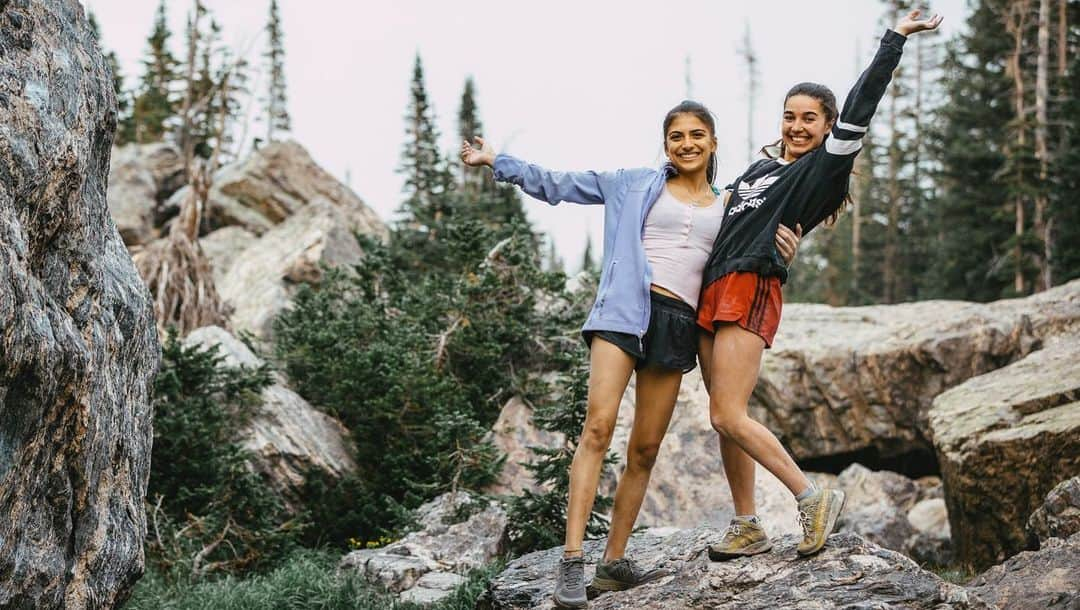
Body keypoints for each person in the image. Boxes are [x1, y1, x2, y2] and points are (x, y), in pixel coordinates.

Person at [460, 102, 801, 609]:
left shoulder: (731, 203)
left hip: (678, 325)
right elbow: (559, 183)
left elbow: (756, 248)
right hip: (622, 314)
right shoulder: (633, 183)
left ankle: (613, 562)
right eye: (676, 136)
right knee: (597, 429)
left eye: (697, 135)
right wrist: (497, 162)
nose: (686, 143)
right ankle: (573, 561)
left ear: (712, 143)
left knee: (644, 450)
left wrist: (783, 251)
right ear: (665, 145)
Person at [695, 10, 943, 562]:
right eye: (790, 116)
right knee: (723, 416)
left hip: (751, 284)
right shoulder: (759, 171)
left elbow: (863, 104)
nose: (797, 126)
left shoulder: (823, 167)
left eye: (810, 118)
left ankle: (812, 495)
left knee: (726, 413)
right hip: (713, 287)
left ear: (828, 127)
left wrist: (894, 38)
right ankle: (747, 523)